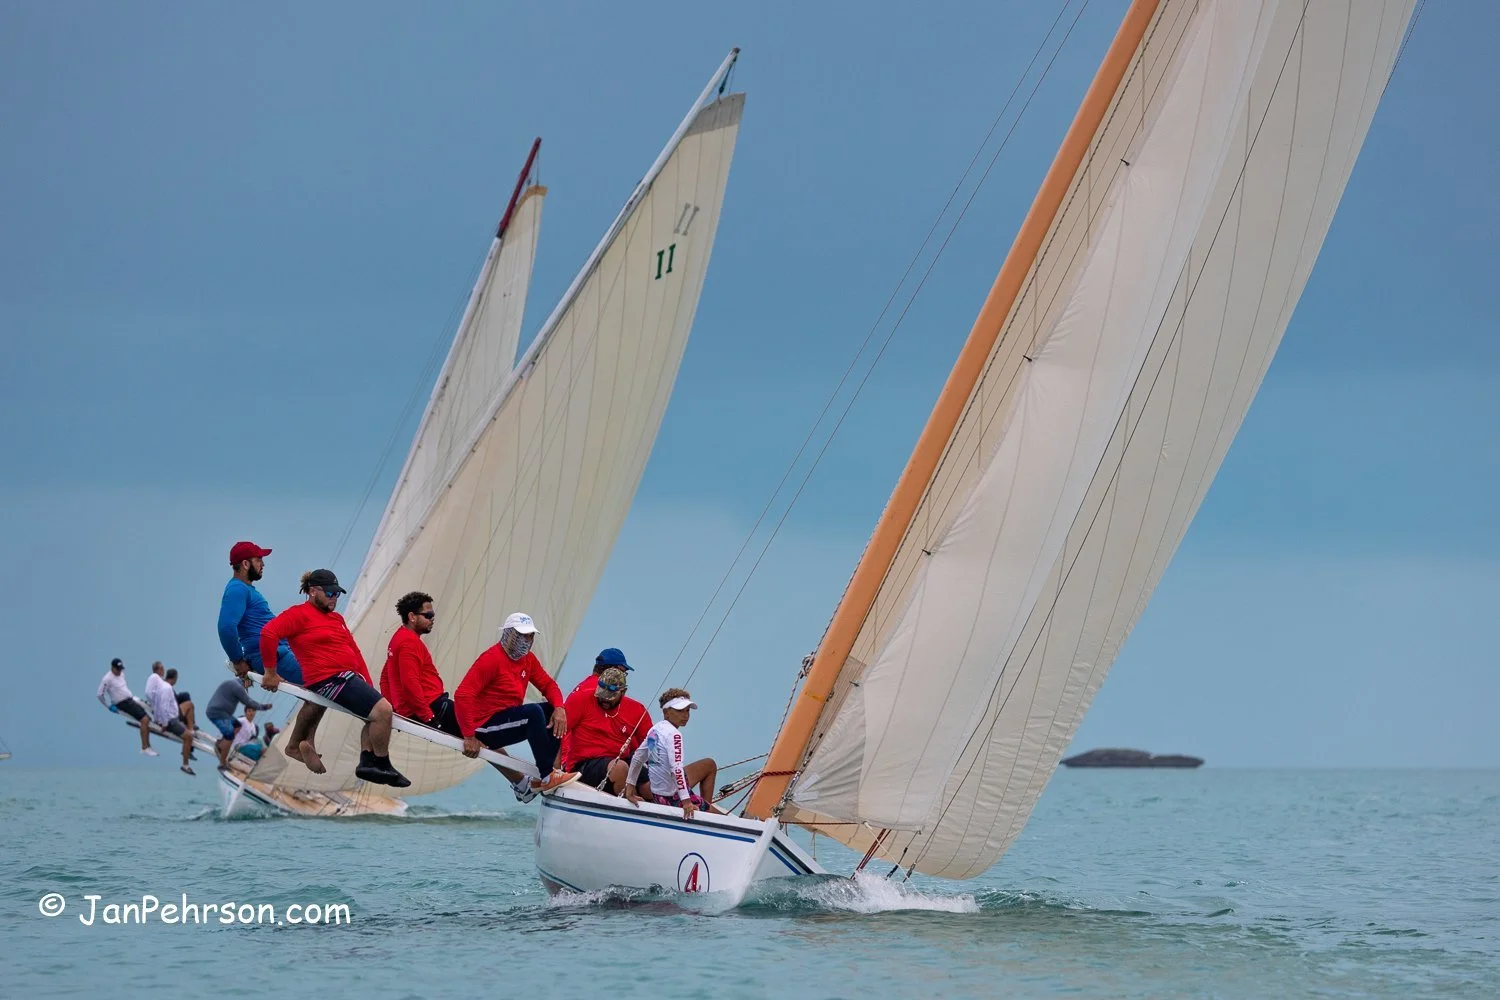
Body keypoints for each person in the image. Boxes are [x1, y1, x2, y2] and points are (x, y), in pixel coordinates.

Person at [259, 569, 409, 788]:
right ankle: (383, 763)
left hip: (348, 678)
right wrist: (270, 672)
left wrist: (367, 684)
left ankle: (367, 763)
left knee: (376, 714)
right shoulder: (298, 614)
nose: (334, 598)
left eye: (337, 594)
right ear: (312, 591)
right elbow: (268, 634)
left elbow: (354, 651)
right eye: (329, 593)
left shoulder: (336, 618)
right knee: (383, 712)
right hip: (328, 679)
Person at [456, 612, 578, 801]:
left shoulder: (528, 659)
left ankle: (550, 773)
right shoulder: (490, 659)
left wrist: (559, 708)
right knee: (533, 713)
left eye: (530, 635)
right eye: (523, 635)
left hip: (506, 719)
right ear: (510, 634)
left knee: (550, 710)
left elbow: (549, 685)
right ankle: (547, 775)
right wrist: (469, 736)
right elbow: (463, 695)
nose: (527, 640)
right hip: (485, 727)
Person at [217, 540, 304, 685]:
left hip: (280, 651)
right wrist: (238, 660)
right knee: (324, 681)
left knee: (320, 696)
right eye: (258, 560)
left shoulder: (245, 589)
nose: (262, 565)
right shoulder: (237, 589)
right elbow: (226, 627)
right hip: (273, 655)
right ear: (245, 564)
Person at [560, 664, 652, 795]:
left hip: (620, 760)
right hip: (584, 766)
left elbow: (652, 745)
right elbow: (557, 733)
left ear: (623, 692)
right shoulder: (580, 699)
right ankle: (626, 803)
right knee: (619, 767)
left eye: (610, 696)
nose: (604, 700)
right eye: (601, 694)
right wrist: (555, 770)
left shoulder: (637, 710)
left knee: (652, 784)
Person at [626, 689, 718, 819]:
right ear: (666, 712)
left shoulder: (655, 729)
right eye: (680, 711)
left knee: (709, 764)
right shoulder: (675, 735)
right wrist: (686, 802)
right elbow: (677, 769)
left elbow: (637, 758)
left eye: (687, 711)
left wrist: (630, 789)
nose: (685, 715)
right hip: (673, 798)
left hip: (658, 796)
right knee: (723, 817)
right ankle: (705, 814)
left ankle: (705, 809)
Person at [380, 591, 459, 736]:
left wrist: (394, 708)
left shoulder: (399, 637)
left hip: (423, 707)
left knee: (482, 738)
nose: (433, 619)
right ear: (412, 617)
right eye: (428, 615)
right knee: (484, 733)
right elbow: (410, 683)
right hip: (433, 707)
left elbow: (385, 677)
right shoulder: (409, 643)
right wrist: (428, 716)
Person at [205, 666, 274, 769]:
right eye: (251, 683)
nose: (251, 686)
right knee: (230, 733)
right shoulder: (237, 688)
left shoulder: (253, 726)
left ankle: (222, 745)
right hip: (218, 712)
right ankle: (221, 757)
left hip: (222, 713)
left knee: (238, 729)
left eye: (253, 711)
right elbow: (249, 701)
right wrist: (264, 707)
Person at [145, 662, 195, 775]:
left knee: (188, 704)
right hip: (171, 721)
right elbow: (163, 707)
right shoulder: (167, 688)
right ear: (175, 678)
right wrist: (164, 724)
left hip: (171, 718)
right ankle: (185, 765)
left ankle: (190, 729)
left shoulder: (161, 686)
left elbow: (153, 698)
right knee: (189, 737)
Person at [97, 658, 155, 755]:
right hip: (122, 703)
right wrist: (108, 706)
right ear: (112, 668)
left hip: (130, 699)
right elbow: (99, 695)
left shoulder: (122, 674)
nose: (120, 671)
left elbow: (122, 688)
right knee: (144, 720)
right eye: (118, 669)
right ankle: (145, 747)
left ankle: (148, 745)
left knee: (149, 715)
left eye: (121, 669)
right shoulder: (107, 679)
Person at [565, 647, 636, 698]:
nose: (623, 677)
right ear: (612, 669)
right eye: (622, 672)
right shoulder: (600, 689)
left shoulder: (588, 684)